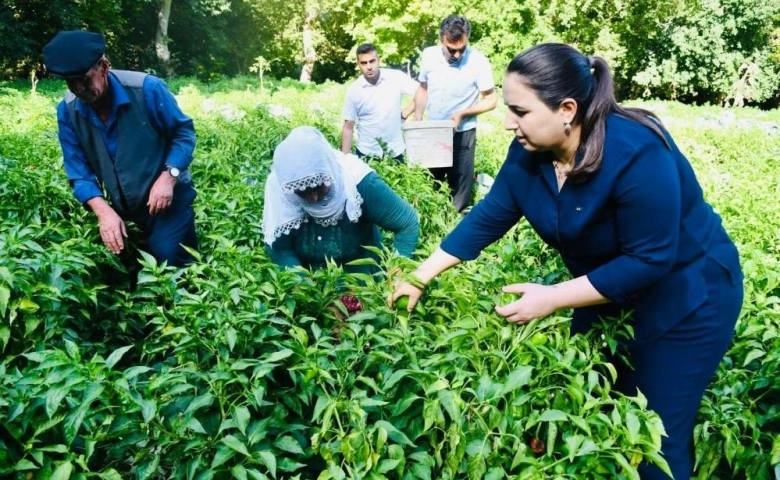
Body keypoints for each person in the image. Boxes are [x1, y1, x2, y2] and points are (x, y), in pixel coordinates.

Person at [392, 43, 743, 480]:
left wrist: (554, 297)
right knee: (594, 406)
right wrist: (419, 277)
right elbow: (490, 215)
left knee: (654, 437)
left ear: (566, 109)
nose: (507, 122)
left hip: (688, 297)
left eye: (519, 111)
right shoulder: (531, 151)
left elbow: (649, 259)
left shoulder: (636, 152)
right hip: (605, 290)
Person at [43, 30, 198, 267]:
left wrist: (169, 176)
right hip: (121, 206)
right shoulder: (68, 110)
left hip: (168, 200)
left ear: (104, 67)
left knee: (170, 263)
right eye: (69, 82)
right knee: (106, 267)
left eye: (84, 79)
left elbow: (183, 133)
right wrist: (104, 213)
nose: (78, 89)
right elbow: (78, 172)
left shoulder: (147, 89)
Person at [263, 126, 419, 276]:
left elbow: (407, 223)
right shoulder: (280, 189)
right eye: (301, 191)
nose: (313, 198)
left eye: (318, 187)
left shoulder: (357, 181)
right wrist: (302, 283)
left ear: (328, 172)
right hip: (311, 291)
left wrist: (397, 274)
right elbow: (279, 248)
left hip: (363, 286)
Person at [412, 14, 497, 213]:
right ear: (441, 39)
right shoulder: (428, 55)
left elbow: (491, 100)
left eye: (462, 49)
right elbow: (423, 88)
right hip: (434, 131)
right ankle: (431, 224)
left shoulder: (478, 61)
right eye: (452, 49)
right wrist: (417, 119)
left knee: (460, 188)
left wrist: (463, 113)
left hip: (463, 133)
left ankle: (455, 226)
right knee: (430, 183)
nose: (457, 55)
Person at [341, 43, 419, 161]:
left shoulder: (395, 77)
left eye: (372, 61)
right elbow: (348, 127)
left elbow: (422, 92)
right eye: (364, 63)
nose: (369, 66)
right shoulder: (354, 90)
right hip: (367, 153)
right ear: (358, 64)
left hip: (396, 150)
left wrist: (404, 113)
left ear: (378, 60)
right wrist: (345, 160)